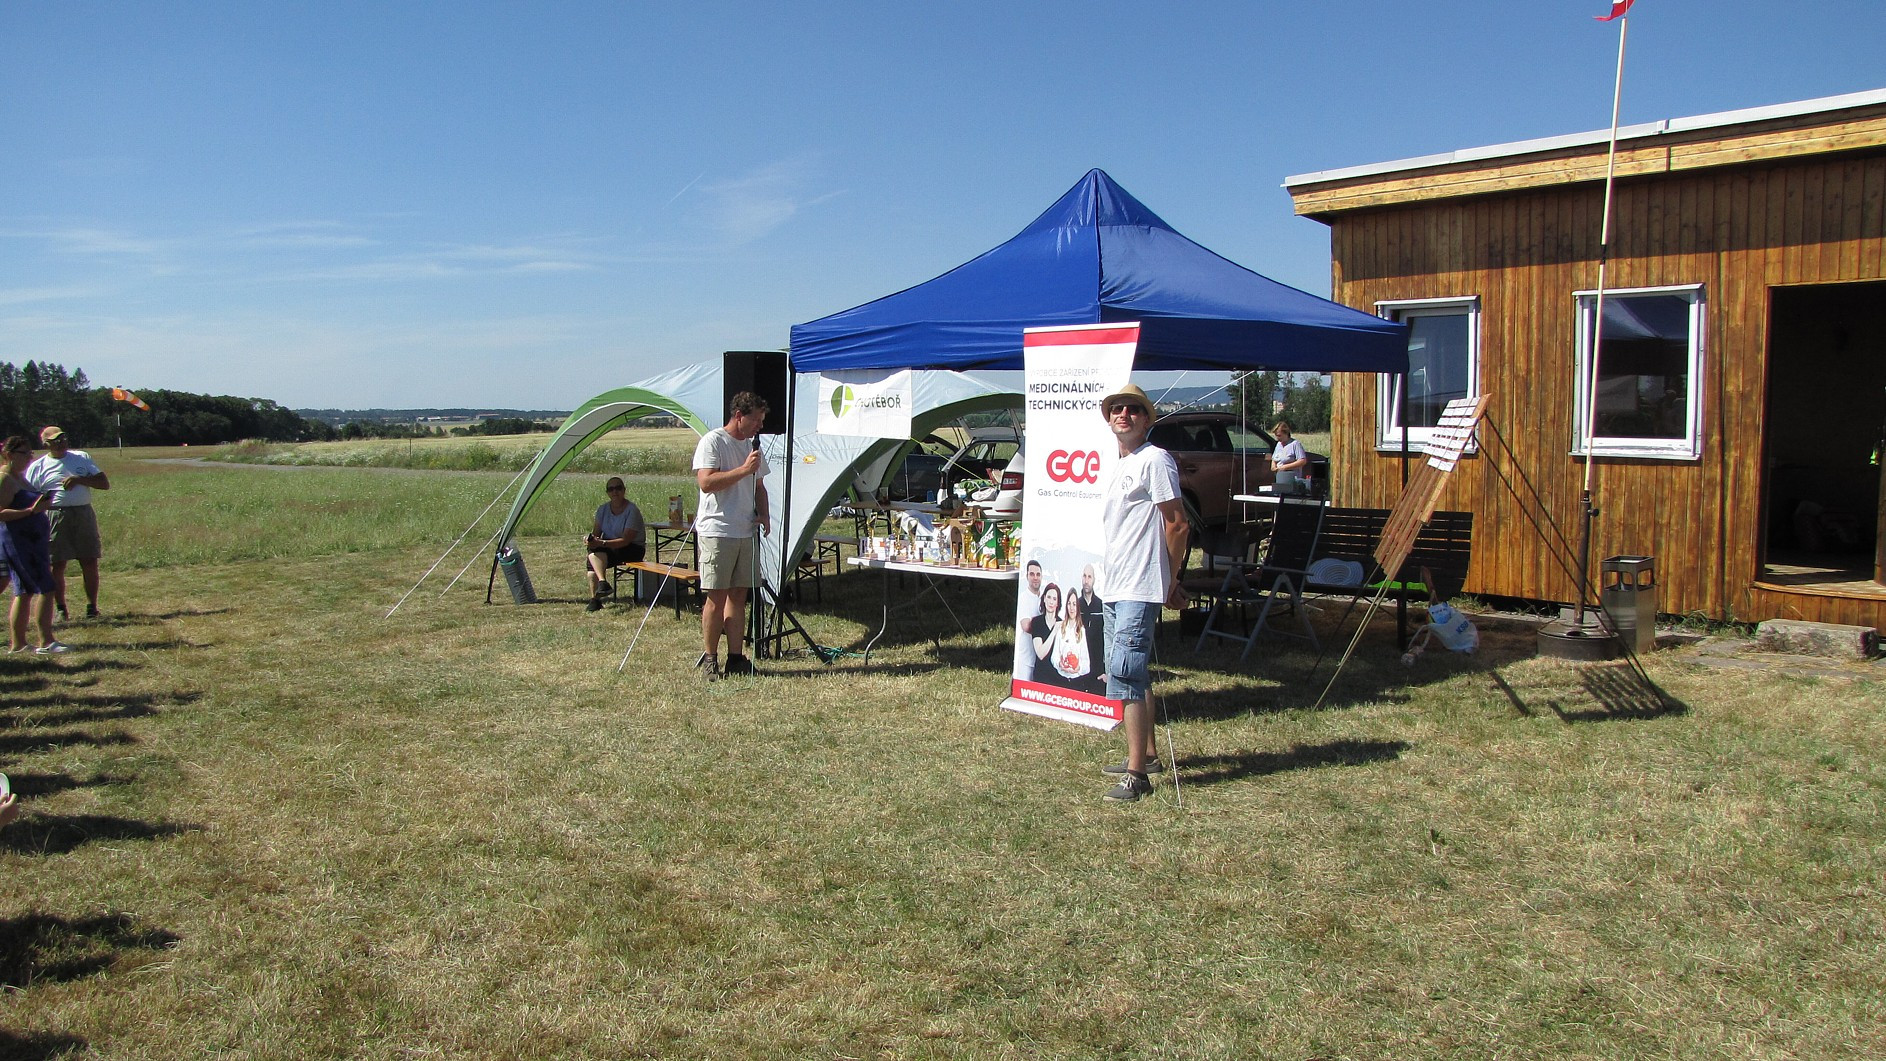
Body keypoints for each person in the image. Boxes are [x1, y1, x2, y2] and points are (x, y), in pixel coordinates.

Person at [1096, 385, 1188, 802]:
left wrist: (1170, 579)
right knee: (1131, 672)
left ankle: (1137, 776)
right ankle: (1146, 755)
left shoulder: (1155, 460)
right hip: (1115, 583)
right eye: (1117, 409)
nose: (1124, 415)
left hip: (1139, 584)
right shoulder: (1122, 464)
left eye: (1133, 409)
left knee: (1127, 673)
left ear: (1147, 419)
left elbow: (1177, 523)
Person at [692, 392, 770, 680]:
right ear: (739, 416)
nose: (759, 426)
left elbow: (759, 486)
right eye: (756, 420)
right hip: (718, 531)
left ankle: (736, 658)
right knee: (716, 596)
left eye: (762, 420)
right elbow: (706, 482)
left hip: (745, 530)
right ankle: (710, 659)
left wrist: (765, 514)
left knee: (738, 596)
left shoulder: (753, 447)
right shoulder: (713, 441)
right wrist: (743, 469)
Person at [25, 426, 109, 621]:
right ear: (46, 444)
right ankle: (61, 608)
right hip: (54, 515)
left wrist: (79, 480)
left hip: (83, 513)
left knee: (89, 560)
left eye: (63, 438)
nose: (61, 443)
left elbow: (104, 483)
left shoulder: (81, 457)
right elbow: (29, 495)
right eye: (55, 440)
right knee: (57, 563)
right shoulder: (38, 466)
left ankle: (92, 607)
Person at [1, 436, 69, 655]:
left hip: (32, 540)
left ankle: (19, 644)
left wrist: (42, 504)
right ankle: (46, 641)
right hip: (20, 541)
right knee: (46, 587)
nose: (29, 458)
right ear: (9, 455)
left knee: (24, 591)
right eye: (24, 454)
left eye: (31, 454)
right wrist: (30, 511)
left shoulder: (19, 477)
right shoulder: (4, 479)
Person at [584, 477, 646, 612]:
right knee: (592, 553)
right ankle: (598, 591)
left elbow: (626, 540)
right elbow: (596, 534)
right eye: (611, 489)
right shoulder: (602, 509)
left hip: (632, 548)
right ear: (607, 492)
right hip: (609, 547)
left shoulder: (632, 510)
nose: (615, 492)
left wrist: (602, 543)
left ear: (624, 490)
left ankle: (598, 592)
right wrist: (590, 540)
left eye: (618, 488)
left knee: (596, 553)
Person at [1047, 591, 1092, 688]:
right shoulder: (1060, 627)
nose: (1071, 608)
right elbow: (1054, 656)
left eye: (1074, 604)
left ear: (1078, 607)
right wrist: (1060, 664)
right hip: (1060, 680)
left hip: (1077, 682)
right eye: (1069, 603)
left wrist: (1078, 668)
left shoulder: (1082, 631)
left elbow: (1086, 664)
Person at [1076, 564, 1107, 694]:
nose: (1086, 580)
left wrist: (1106, 670)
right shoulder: (1075, 606)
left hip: (1097, 669)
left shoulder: (1101, 606)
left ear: (1094, 580)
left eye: (1089, 577)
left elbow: (1107, 638)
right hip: (1078, 669)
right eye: (1084, 576)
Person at [1013, 559, 1044, 680]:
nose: (1035, 578)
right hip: (1027, 658)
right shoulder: (1024, 598)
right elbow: (1026, 626)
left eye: (1038, 574)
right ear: (1027, 576)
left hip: (1041, 659)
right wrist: (1045, 630)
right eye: (1032, 574)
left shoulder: (1045, 598)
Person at [1027, 583, 1062, 685]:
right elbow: (1040, 654)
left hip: (1058, 679)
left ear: (1058, 603)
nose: (1051, 602)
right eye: (1049, 597)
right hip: (1040, 677)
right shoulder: (1037, 622)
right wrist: (1054, 631)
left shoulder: (1062, 624)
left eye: (1054, 599)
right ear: (1044, 599)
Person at [1270, 420, 1309, 494]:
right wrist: (1273, 467)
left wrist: (1285, 467)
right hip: (1280, 479)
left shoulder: (1295, 444)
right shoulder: (1278, 445)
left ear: (1286, 433)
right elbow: (1274, 459)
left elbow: (1302, 461)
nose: (1277, 438)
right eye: (1276, 436)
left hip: (1292, 480)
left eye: (1279, 436)